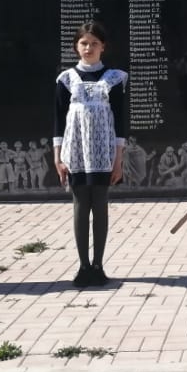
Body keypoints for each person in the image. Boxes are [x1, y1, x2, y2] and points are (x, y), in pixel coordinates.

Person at [53, 21, 127, 287]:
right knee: (80, 206)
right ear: (76, 46)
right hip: (75, 152)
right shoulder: (66, 79)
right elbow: (58, 120)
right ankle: (83, 265)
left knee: (100, 205)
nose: (88, 48)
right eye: (84, 43)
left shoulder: (114, 78)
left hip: (103, 152)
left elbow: (120, 121)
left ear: (103, 47)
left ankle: (99, 264)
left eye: (94, 43)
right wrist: (57, 156)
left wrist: (118, 158)